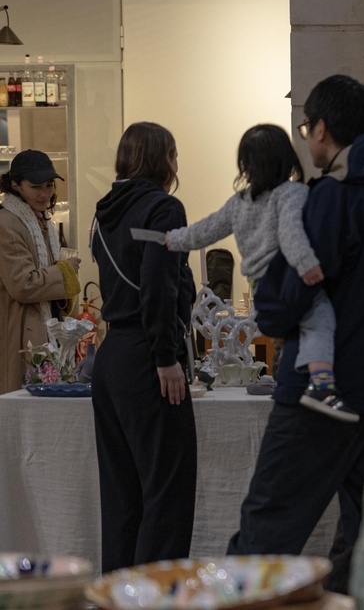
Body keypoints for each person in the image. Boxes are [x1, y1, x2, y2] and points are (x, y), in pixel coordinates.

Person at [227, 75, 364, 595]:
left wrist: (270, 313)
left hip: (324, 389)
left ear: (321, 128)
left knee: (267, 528)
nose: (305, 140)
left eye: (306, 129)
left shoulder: (336, 194)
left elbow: (288, 292)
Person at [164, 124, 354, 421]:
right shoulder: (291, 193)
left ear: (246, 166)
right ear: (286, 159)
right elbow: (291, 232)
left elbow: (205, 230)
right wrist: (307, 265)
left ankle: (296, 362)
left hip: (260, 286)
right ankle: (322, 386)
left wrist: (174, 239)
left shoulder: (239, 202)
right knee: (320, 319)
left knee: (296, 327)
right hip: (286, 278)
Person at [90, 123, 197, 572]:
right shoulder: (163, 207)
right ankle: (158, 599)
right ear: (163, 158)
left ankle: (118, 597)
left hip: (111, 355)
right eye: (174, 155)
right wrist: (167, 356)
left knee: (122, 497)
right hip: (146, 357)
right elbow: (157, 286)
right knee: (167, 493)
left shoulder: (103, 212)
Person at [0, 150, 80, 394]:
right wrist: (64, 272)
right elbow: (23, 285)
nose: (45, 193)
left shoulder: (39, 219)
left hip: (41, 327)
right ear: (16, 186)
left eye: (49, 185)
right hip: (20, 330)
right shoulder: (8, 222)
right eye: (36, 187)